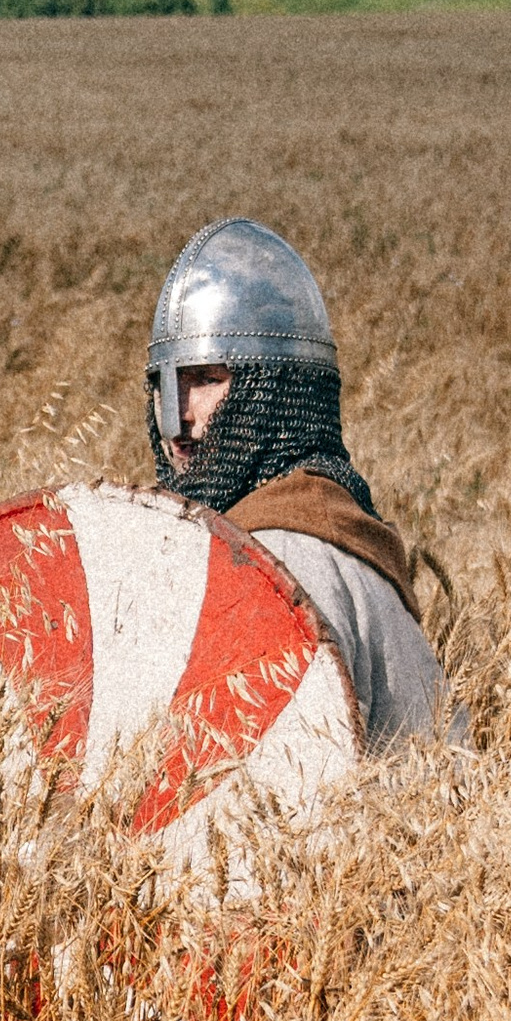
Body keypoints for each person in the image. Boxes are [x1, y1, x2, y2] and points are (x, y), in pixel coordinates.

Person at [146, 217, 461, 748]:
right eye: (164, 384)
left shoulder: (285, 554)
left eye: (205, 380)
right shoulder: (312, 520)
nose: (177, 420)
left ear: (275, 393)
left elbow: (296, 784)